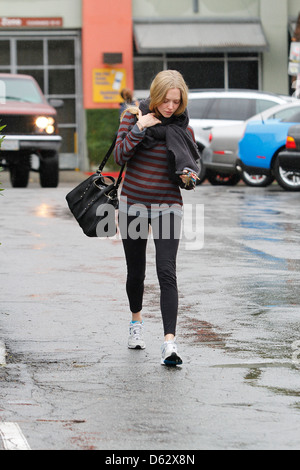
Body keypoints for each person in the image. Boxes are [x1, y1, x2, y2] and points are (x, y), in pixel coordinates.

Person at [114, 70, 200, 366]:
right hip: (133, 206)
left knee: (167, 272)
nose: (170, 107)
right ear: (155, 95)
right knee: (136, 272)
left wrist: (189, 178)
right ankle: (136, 323)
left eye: (176, 102)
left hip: (167, 206)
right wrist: (140, 126)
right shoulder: (133, 116)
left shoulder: (182, 128)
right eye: (166, 100)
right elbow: (119, 156)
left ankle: (169, 344)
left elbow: (188, 169)